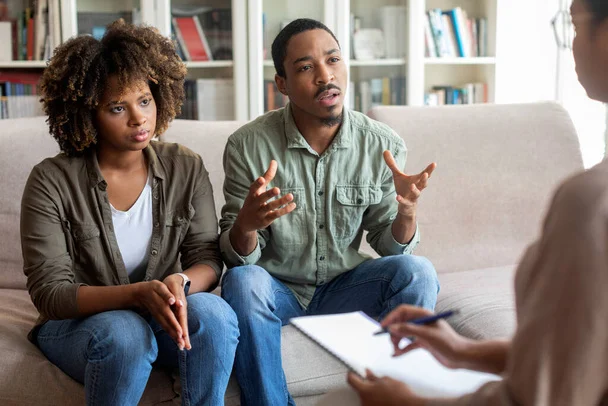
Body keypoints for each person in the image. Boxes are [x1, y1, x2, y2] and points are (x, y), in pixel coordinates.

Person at [347, 0, 608, 405]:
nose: (571, 44)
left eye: (573, 24)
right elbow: (575, 359)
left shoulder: (591, 205)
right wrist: (463, 351)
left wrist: (405, 403)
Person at [219, 18, 439, 405]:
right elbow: (240, 258)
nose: (325, 76)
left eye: (333, 60)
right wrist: (247, 225)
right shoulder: (247, 146)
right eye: (306, 67)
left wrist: (406, 212)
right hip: (278, 291)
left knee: (418, 271)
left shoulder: (382, 144)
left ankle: (399, 396)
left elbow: (392, 248)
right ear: (282, 84)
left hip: (346, 289)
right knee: (243, 282)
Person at [20, 20, 239, 405]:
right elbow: (51, 295)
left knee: (215, 313)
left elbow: (206, 257)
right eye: (117, 108)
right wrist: (137, 295)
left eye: (144, 101)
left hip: (165, 319)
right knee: (125, 333)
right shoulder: (51, 181)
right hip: (78, 327)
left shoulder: (185, 167)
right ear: (87, 112)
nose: (138, 119)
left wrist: (180, 284)